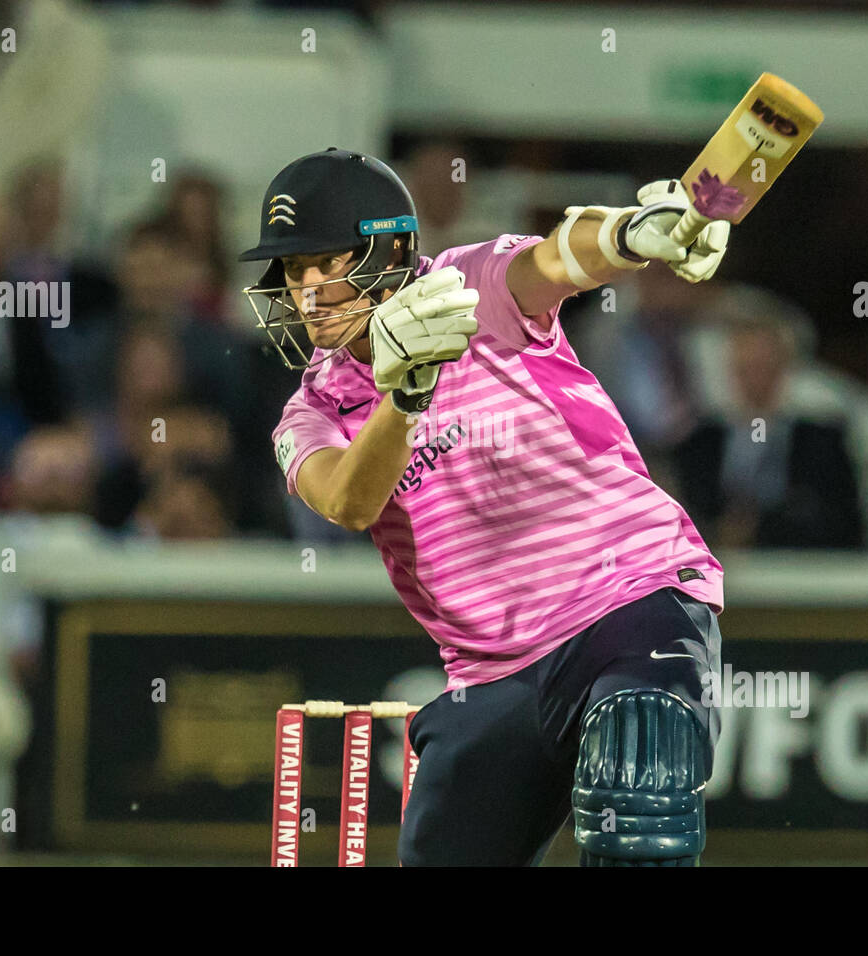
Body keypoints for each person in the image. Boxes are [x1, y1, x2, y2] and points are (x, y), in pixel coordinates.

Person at [242, 148, 732, 866]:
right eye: (292, 271)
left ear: (389, 247)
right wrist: (405, 396)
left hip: (625, 599)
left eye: (326, 262)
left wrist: (631, 234)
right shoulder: (309, 412)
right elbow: (348, 500)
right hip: (490, 673)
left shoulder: (467, 283)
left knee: (640, 790)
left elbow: (559, 259)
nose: (308, 290)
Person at [672, 302, 866, 550]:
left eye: (763, 366)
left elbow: (842, 523)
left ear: (784, 366)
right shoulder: (699, 442)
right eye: (746, 367)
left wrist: (759, 529)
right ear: (731, 369)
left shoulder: (823, 442)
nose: (754, 378)